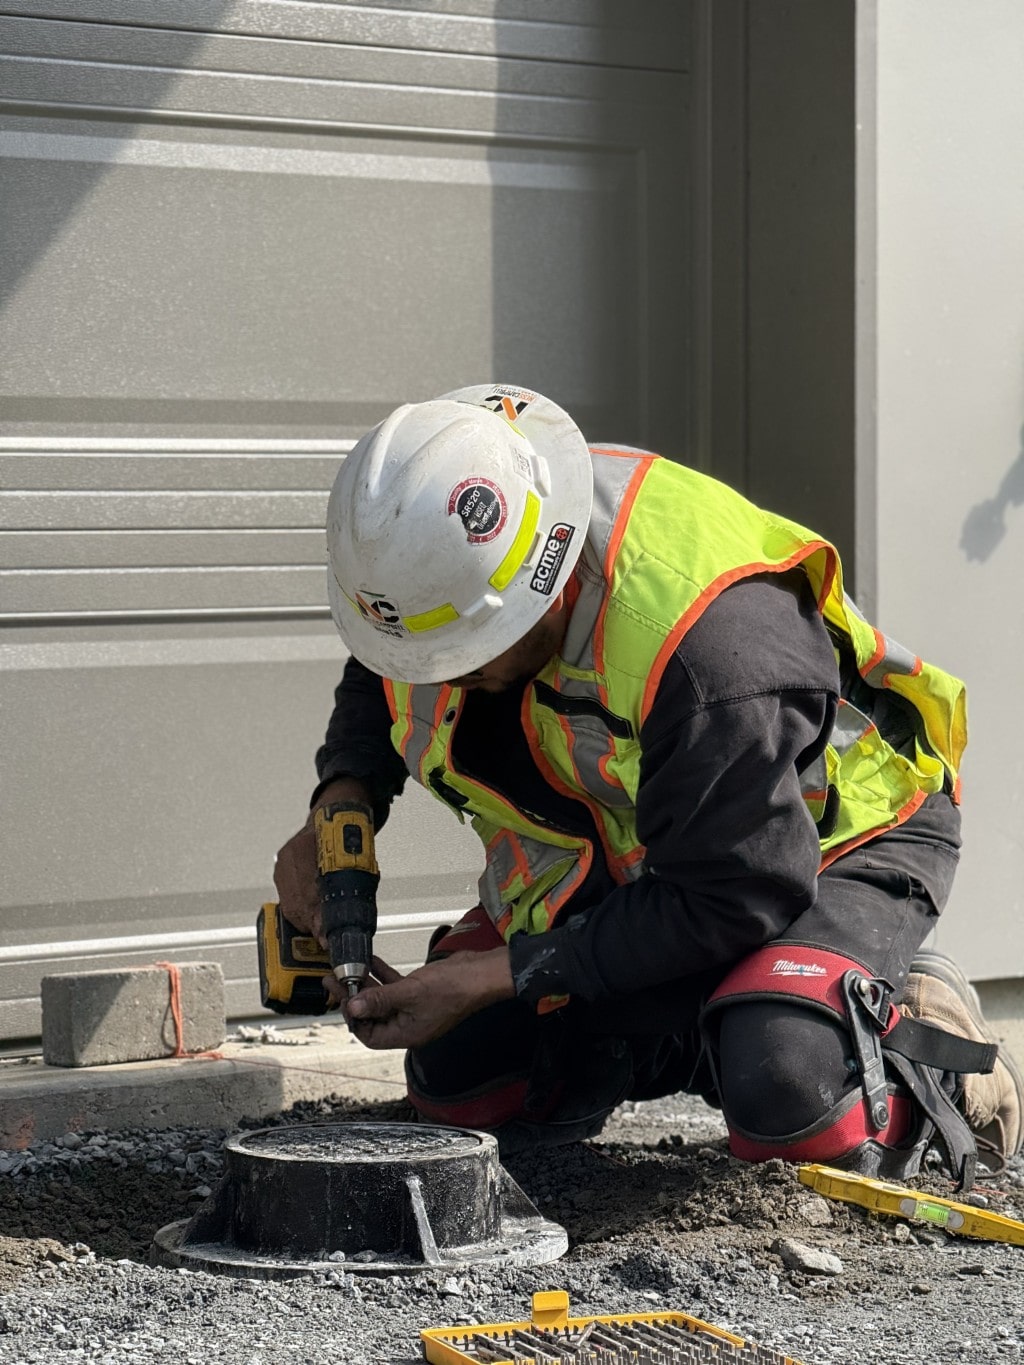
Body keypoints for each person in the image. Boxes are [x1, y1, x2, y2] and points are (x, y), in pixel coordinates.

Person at [274, 383, 1022, 1188]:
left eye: (465, 652)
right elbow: (392, 660)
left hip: (823, 841)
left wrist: (499, 973)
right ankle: (700, 1022)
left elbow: (733, 891)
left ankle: (891, 1022)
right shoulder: (458, 564)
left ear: (547, 584)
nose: (442, 678)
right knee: (461, 1077)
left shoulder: (711, 649)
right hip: (645, 849)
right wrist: (342, 800)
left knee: (788, 1086)